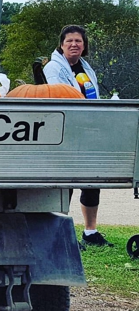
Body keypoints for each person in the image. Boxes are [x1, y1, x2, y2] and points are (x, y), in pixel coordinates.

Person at [43, 24, 113, 248]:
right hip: (65, 131)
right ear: (61, 44)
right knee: (66, 183)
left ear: (84, 46)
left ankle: (90, 232)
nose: (74, 44)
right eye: (69, 41)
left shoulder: (85, 69)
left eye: (78, 41)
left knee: (92, 181)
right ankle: (59, 232)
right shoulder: (53, 68)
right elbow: (57, 96)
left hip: (88, 131)